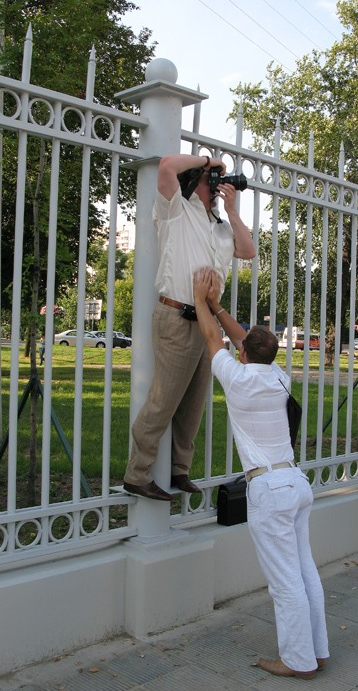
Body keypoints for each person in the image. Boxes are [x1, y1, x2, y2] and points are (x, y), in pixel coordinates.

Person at [192, 267, 329, 680]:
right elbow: (238, 339)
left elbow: (216, 339)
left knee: (285, 582)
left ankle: (297, 660)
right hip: (296, 484)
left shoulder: (237, 379)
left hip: (268, 489)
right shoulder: (280, 377)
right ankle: (316, 651)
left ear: (246, 354)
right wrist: (217, 306)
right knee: (305, 573)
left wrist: (202, 300)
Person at [123, 154, 255, 501]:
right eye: (211, 179)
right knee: (163, 400)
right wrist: (207, 160)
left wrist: (232, 209)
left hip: (207, 323)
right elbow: (166, 166)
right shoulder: (175, 211)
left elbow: (249, 250)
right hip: (176, 316)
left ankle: (178, 469)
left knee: (194, 403)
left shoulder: (222, 226)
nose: (217, 184)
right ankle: (137, 473)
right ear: (196, 178)